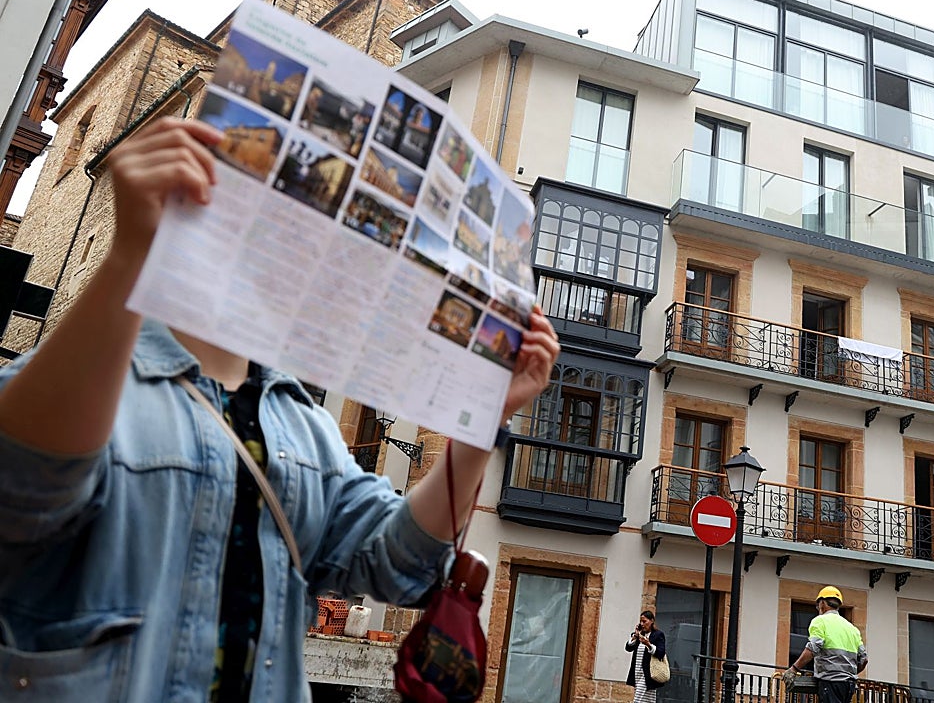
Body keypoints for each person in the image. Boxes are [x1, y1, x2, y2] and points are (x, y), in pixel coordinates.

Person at [0, 117, 560, 702]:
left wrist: (482, 417)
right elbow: (22, 490)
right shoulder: (81, 378)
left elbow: (398, 564)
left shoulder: (306, 426)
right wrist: (129, 261)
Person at [787, 586, 867, 703]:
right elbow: (864, 659)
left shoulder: (820, 621)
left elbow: (812, 649)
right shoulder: (852, 628)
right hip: (849, 685)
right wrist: (848, 673)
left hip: (831, 682)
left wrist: (793, 669)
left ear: (822, 603)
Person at [625, 609, 669, 703]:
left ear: (652, 621)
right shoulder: (639, 635)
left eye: (644, 621)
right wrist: (635, 636)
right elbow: (628, 648)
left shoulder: (658, 635)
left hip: (648, 674)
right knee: (648, 700)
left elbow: (661, 653)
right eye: (641, 621)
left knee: (637, 700)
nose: (642, 624)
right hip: (637, 673)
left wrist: (648, 644)